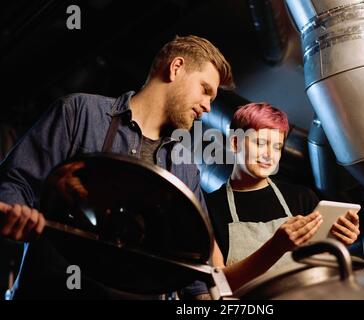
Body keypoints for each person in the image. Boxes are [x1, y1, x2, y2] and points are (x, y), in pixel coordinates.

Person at [0, 35, 234, 299]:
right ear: (176, 67)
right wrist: (15, 213)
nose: (207, 107)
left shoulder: (186, 170)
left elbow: (195, 270)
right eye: (205, 89)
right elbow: (16, 182)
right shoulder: (79, 112)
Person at [205, 103, 360, 291]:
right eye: (260, 143)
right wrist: (275, 248)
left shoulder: (303, 198)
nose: (269, 155)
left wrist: (338, 241)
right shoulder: (209, 208)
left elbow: (321, 268)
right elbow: (218, 285)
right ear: (235, 143)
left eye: (277, 146)